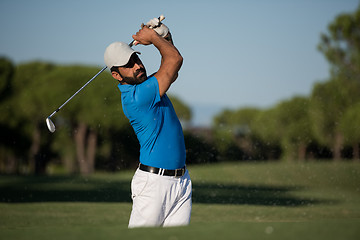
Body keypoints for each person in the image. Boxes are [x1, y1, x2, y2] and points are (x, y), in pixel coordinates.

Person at [104, 18, 192, 228]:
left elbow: (172, 69)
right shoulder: (137, 97)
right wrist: (153, 37)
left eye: (136, 59)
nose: (137, 66)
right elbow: (174, 60)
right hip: (154, 184)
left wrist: (165, 37)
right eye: (129, 65)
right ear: (116, 75)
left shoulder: (148, 87)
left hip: (181, 181)